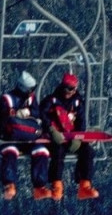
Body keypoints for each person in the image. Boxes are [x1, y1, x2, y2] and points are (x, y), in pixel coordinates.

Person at [0, 70, 52, 201]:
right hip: (11, 138)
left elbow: (37, 113)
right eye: (30, 89)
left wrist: (28, 112)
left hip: (28, 137)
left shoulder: (30, 99)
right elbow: (0, 120)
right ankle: (9, 184)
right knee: (10, 151)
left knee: (41, 151)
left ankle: (39, 187)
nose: (32, 92)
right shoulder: (7, 99)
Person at [41, 72, 100, 200]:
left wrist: (78, 137)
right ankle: (56, 185)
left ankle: (85, 185)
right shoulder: (52, 100)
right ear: (62, 87)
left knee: (88, 151)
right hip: (56, 137)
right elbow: (42, 114)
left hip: (72, 136)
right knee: (58, 152)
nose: (70, 92)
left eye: (73, 89)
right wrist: (51, 130)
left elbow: (81, 122)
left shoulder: (78, 102)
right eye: (67, 88)